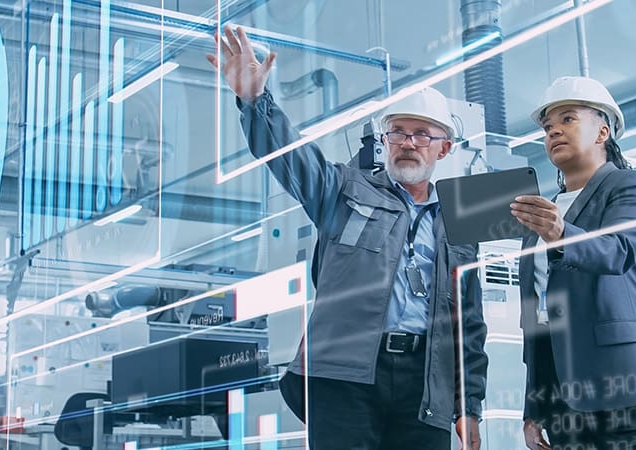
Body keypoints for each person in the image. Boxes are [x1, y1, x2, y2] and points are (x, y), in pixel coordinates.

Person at [206, 25, 488, 450]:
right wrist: (255, 101)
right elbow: (290, 159)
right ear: (385, 140)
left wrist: (468, 406)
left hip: (424, 384)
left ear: (443, 149)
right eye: (398, 132)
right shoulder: (343, 190)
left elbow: (468, 325)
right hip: (345, 376)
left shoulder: (459, 224)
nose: (408, 143)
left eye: (422, 135)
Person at [512, 76, 636, 450]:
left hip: (630, 391)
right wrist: (535, 406)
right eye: (547, 127)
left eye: (568, 119)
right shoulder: (540, 218)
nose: (554, 130)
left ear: (602, 131)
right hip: (565, 404)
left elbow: (618, 250)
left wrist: (560, 234)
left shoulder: (633, 186)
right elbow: (537, 319)